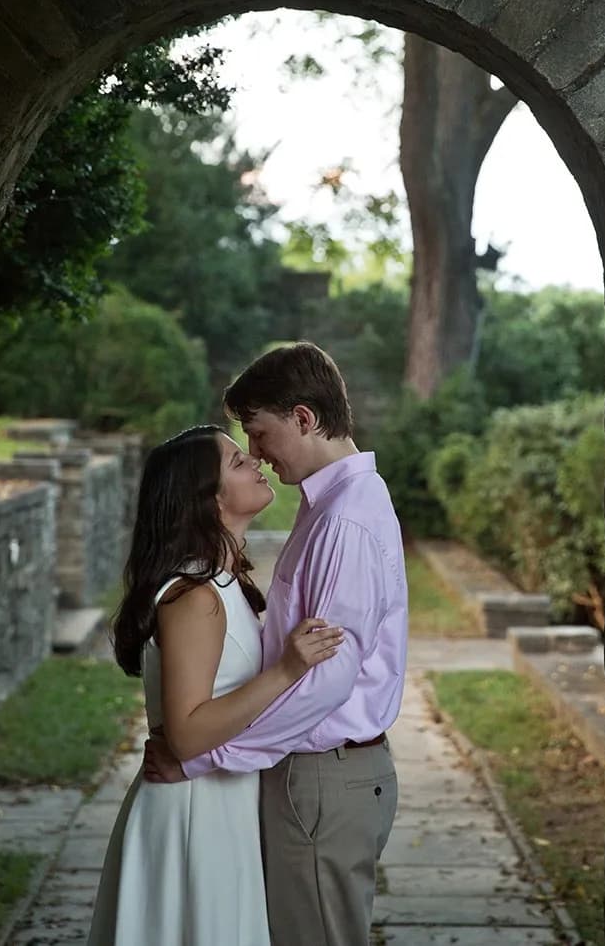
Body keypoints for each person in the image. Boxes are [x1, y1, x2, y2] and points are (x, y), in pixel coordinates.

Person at [145, 343, 408, 946]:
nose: (257, 454)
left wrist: (206, 757)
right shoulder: (333, 507)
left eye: (258, 434)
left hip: (321, 780)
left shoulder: (343, 519)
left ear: (304, 418)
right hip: (314, 776)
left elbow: (325, 679)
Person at [86, 424, 344, 946]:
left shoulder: (224, 586)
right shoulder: (194, 596)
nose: (254, 460)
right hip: (191, 814)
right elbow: (185, 735)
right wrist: (286, 671)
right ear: (207, 500)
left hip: (220, 806)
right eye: (235, 461)